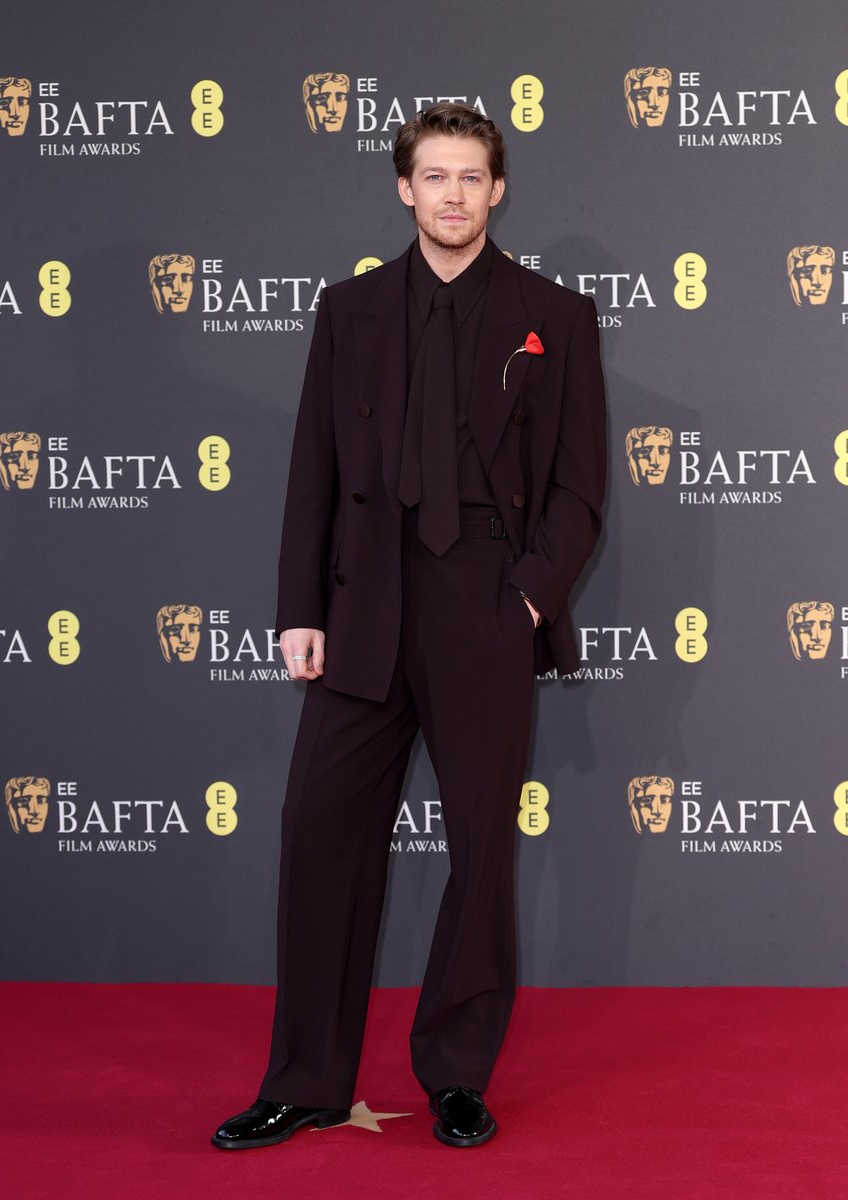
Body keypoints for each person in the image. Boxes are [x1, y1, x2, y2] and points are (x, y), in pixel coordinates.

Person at [213, 102, 606, 1152]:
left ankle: (457, 1074)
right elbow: (313, 472)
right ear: (403, 188)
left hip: (483, 596)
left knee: (480, 848)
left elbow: (579, 488)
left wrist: (526, 596)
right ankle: (304, 1077)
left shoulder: (554, 316)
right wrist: (301, 609)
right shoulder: (348, 312)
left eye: (472, 178)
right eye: (434, 177)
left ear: (498, 188)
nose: (453, 196)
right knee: (318, 832)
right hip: (364, 598)